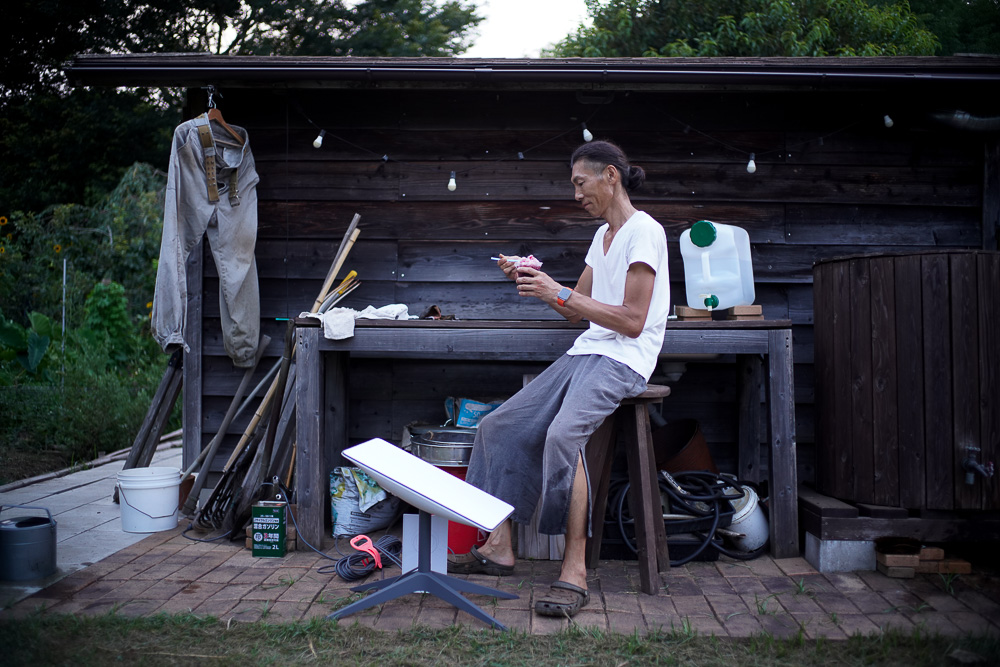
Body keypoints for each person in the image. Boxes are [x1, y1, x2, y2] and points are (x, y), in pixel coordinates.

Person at [447, 140, 671, 617]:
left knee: (563, 434)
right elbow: (577, 315)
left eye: (579, 182)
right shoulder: (601, 238)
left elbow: (632, 320)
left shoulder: (644, 232)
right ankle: (499, 544)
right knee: (498, 427)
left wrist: (560, 291)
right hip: (585, 352)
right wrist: (531, 281)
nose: (576, 194)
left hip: (624, 359)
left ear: (610, 175)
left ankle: (574, 569)